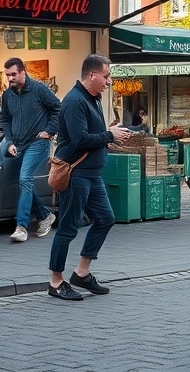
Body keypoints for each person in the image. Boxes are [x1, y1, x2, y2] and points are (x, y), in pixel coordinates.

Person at [48, 54, 133, 302]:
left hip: (92, 175)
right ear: (92, 75)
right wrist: (109, 135)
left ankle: (82, 273)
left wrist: (111, 139)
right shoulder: (75, 101)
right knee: (68, 228)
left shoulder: (92, 99)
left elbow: (92, 137)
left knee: (106, 219)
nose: (109, 81)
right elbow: (80, 140)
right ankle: (56, 282)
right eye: (106, 76)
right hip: (77, 175)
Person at [1, 57, 60, 243]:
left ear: (22, 72)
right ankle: (45, 215)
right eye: (7, 75)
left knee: (25, 178)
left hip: (38, 142)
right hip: (18, 144)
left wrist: (49, 131)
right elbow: (5, 120)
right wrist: (9, 142)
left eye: (13, 74)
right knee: (23, 181)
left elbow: (58, 109)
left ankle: (21, 227)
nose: (10, 78)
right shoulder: (7, 95)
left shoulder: (39, 89)